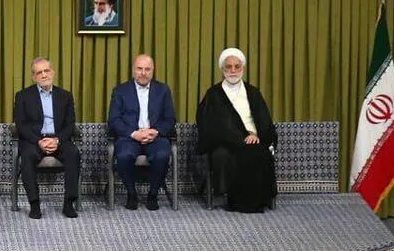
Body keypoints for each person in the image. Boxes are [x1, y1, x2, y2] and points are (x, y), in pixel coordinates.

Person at [196, 47, 277, 213]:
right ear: (222, 69)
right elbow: (209, 124)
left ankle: (257, 201)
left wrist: (256, 135)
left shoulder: (253, 92)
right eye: (228, 67)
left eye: (237, 66)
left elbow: (264, 120)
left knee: (258, 153)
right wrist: (238, 137)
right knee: (225, 155)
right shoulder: (213, 94)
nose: (233, 71)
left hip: (254, 139)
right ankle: (237, 201)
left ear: (243, 69)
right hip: (224, 141)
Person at [13, 56, 80, 218]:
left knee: (73, 153)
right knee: (27, 156)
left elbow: (70, 124)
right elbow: (21, 125)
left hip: (58, 139)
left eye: (46, 71)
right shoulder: (23, 96)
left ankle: (68, 204)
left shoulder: (65, 96)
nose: (44, 75)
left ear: (53, 72)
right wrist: (39, 141)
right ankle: (34, 204)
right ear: (33, 77)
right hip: (34, 140)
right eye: (39, 72)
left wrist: (56, 140)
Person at [107, 54, 176, 210]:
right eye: (139, 69)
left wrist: (155, 131)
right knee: (124, 155)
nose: (143, 73)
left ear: (153, 70)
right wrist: (134, 134)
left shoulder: (163, 90)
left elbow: (170, 119)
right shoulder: (120, 90)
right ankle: (132, 194)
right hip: (129, 137)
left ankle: (153, 194)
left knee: (162, 155)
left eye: (147, 69)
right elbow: (114, 120)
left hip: (155, 137)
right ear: (133, 70)